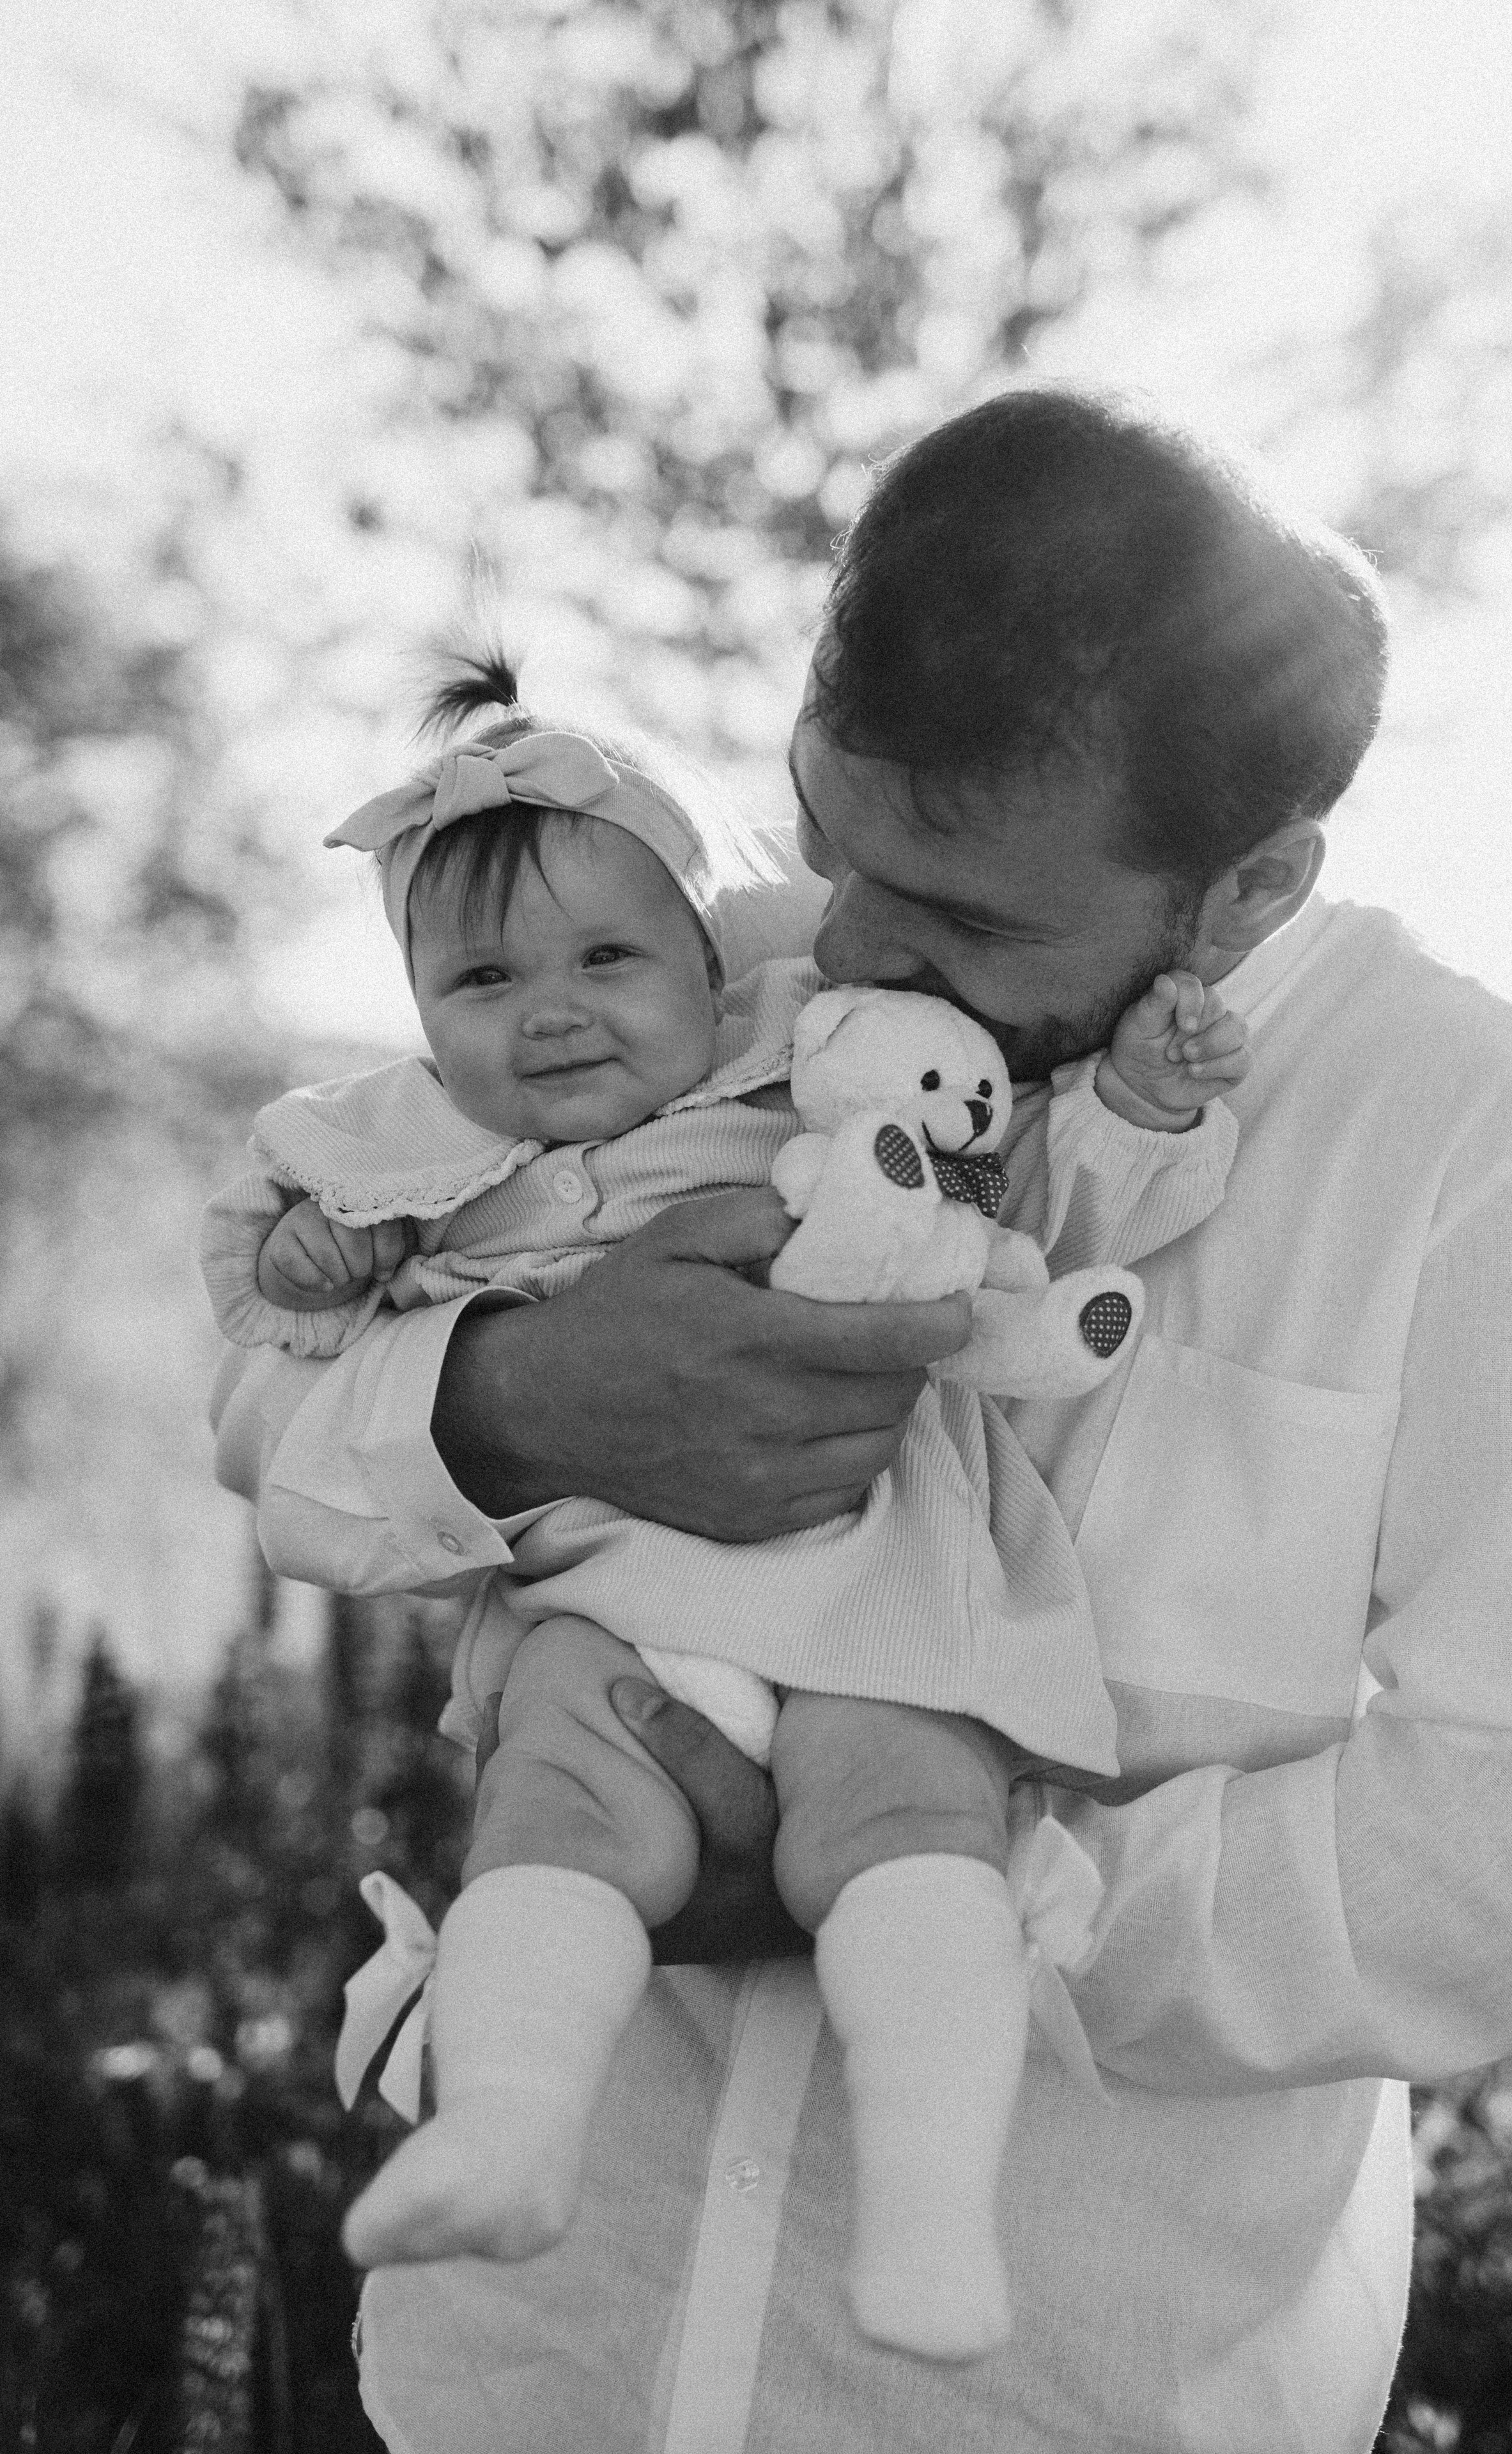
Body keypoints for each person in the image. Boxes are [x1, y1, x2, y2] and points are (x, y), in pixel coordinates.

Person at [212, 389, 1512, 2454]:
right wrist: (508, 1404)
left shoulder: (1479, 1151)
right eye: (822, 835)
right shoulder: (705, 980)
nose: (852, 940)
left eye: (965, 919)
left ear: (1248, 890)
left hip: (1060, 2397)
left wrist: (958, 1888)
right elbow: (274, 1361)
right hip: (535, 2364)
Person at [201, 668, 1244, 2354]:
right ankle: (510, 2130)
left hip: (869, 1575)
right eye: (480, 979)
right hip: (601, 1605)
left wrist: (1142, 1100)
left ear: (711, 961)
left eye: (607, 960)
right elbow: (284, 1376)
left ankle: (929, 2214)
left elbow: (1022, 1201)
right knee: (556, 1813)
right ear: (416, 1015)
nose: (549, 1012)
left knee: (908, 1818)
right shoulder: (419, 1168)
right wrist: (325, 1273)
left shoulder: (816, 1072)